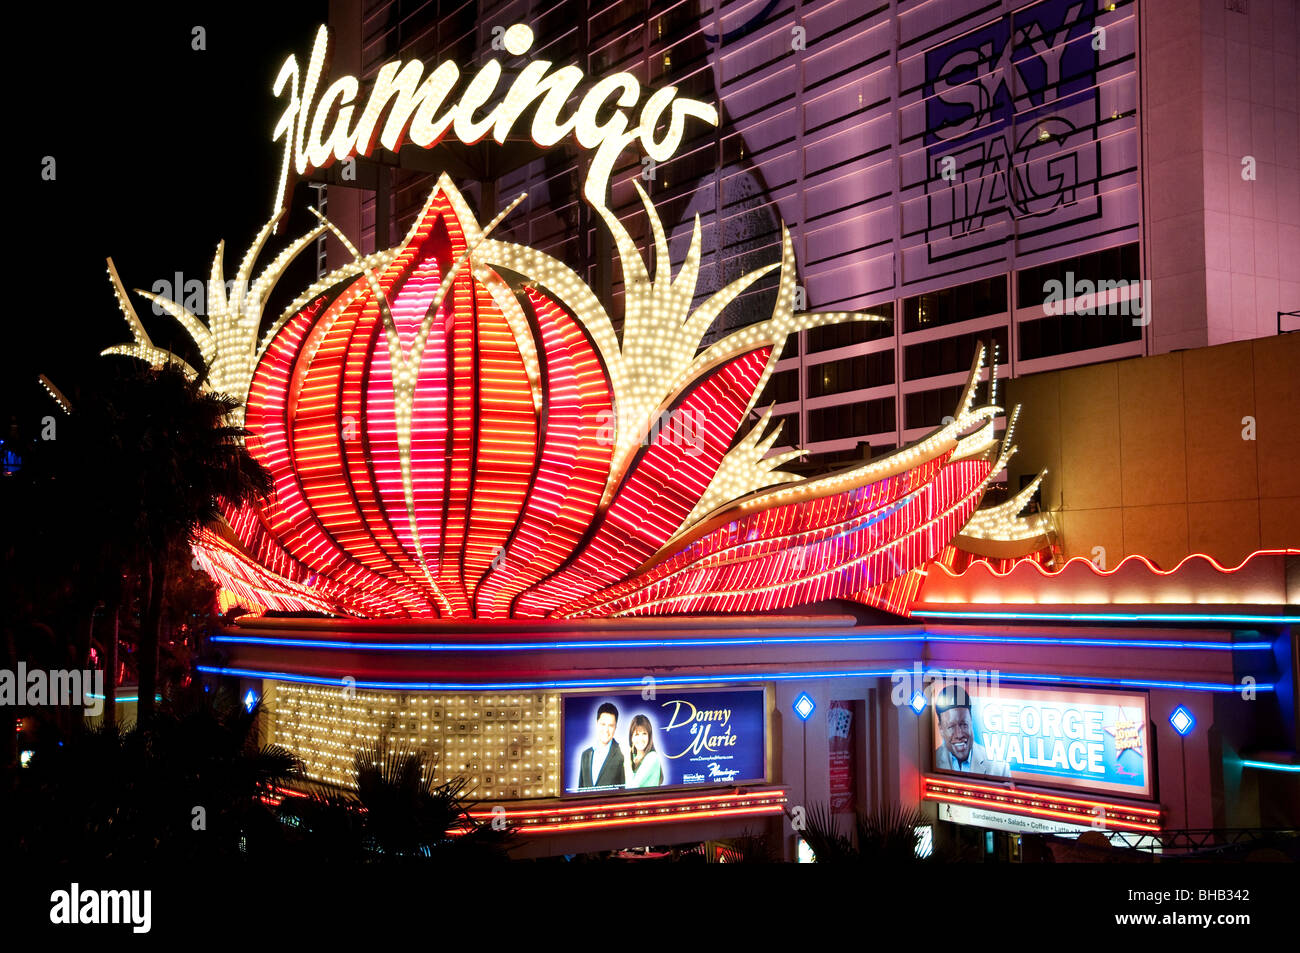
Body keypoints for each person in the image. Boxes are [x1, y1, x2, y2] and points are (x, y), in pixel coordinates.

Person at [933, 685, 1010, 778]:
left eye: (964, 724)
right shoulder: (930, 761)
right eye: (951, 727)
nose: (959, 734)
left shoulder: (999, 767)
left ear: (971, 721)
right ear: (941, 729)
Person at [577, 702, 626, 789]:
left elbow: (625, 790)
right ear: (597, 724)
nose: (606, 730)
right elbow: (580, 790)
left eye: (610, 725)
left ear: (615, 728)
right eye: (603, 724)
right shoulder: (585, 755)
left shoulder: (622, 754)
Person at [623, 714, 664, 788]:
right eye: (637, 734)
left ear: (649, 736)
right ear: (631, 738)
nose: (640, 738)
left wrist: (626, 758)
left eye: (644, 734)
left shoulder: (652, 757)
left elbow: (631, 788)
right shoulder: (633, 758)